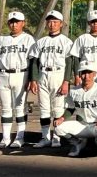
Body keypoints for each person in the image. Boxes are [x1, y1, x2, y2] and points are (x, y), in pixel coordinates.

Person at [0, 10, 35, 148]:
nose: (14, 25)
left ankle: (20, 138)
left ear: (23, 23)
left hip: (21, 74)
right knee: (5, 108)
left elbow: (33, 60)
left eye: (17, 22)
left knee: (20, 108)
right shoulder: (1, 40)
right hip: (3, 75)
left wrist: (32, 79)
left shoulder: (28, 39)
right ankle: (5, 138)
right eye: (11, 22)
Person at [29, 10, 73, 148]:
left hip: (58, 74)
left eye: (55, 21)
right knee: (44, 108)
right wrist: (33, 80)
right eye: (49, 21)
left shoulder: (66, 41)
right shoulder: (41, 42)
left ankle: (56, 137)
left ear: (61, 24)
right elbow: (34, 62)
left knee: (58, 108)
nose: (52, 24)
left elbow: (69, 63)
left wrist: (66, 81)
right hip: (43, 74)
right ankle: (45, 137)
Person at [53, 61, 97, 157]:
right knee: (58, 128)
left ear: (94, 74)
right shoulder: (74, 91)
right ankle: (77, 143)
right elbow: (70, 109)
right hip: (82, 124)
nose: (86, 76)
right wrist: (62, 118)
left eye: (89, 73)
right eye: (84, 73)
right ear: (80, 74)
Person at [70, 10, 97, 86]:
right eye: (92, 21)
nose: (95, 23)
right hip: (85, 73)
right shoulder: (82, 38)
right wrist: (77, 75)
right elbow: (76, 58)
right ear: (89, 23)